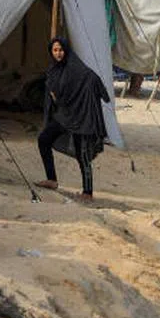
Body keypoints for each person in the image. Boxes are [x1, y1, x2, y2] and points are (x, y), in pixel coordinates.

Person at [35, 37, 109, 203]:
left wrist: (100, 91)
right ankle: (52, 179)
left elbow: (92, 78)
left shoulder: (76, 68)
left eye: (61, 50)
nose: (58, 53)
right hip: (63, 116)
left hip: (79, 118)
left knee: (82, 155)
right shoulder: (54, 69)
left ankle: (88, 192)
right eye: (55, 50)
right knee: (43, 140)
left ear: (66, 50)